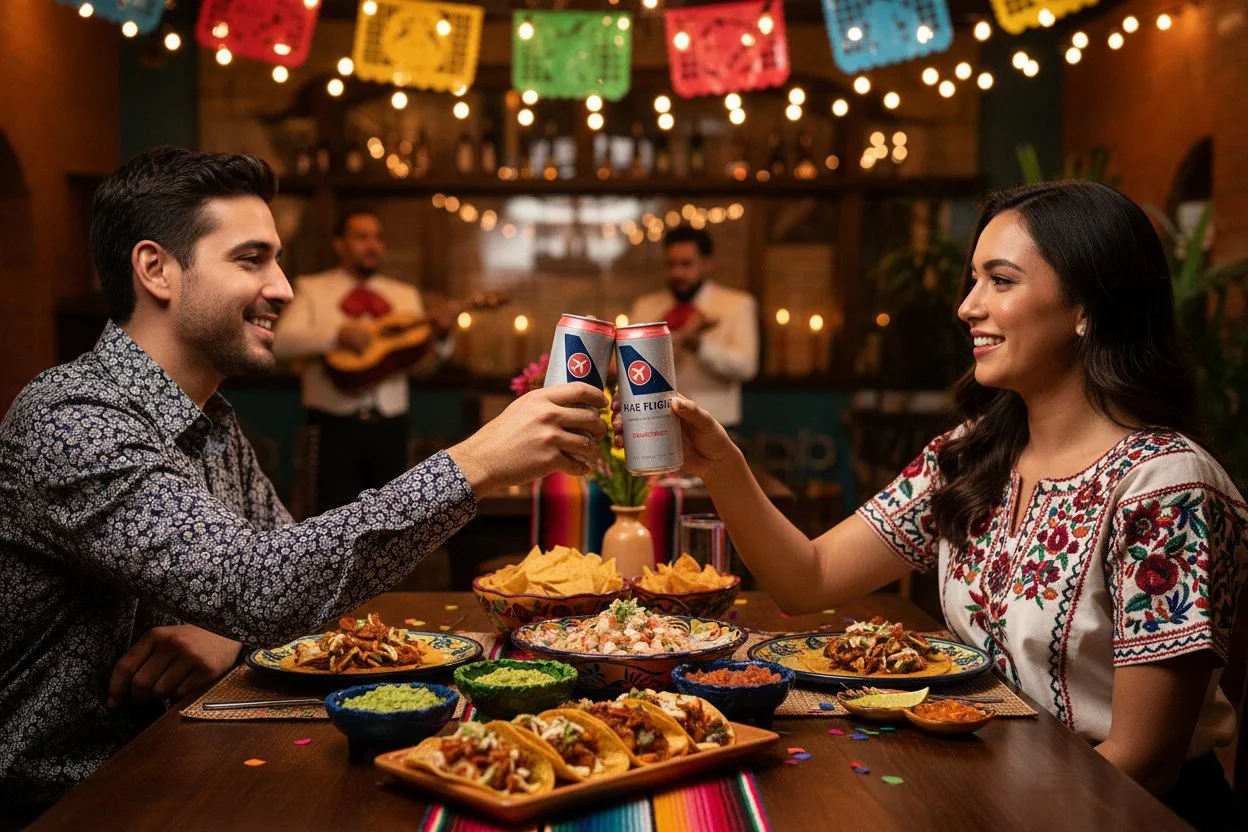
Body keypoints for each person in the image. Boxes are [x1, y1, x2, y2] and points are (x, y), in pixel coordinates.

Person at [0, 147, 604, 823]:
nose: (284, 287)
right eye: (251, 259)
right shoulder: (72, 418)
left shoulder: (213, 425)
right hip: (68, 803)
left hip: (184, 759)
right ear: (156, 270)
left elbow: (300, 591)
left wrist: (227, 632)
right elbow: (260, 586)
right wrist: (477, 463)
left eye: (277, 260)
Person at [617, 182, 1246, 829]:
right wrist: (722, 463)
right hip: (987, 783)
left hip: (1115, 813)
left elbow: (1144, 760)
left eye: (1000, 281)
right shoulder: (972, 453)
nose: (966, 306)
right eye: (972, 281)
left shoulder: (1166, 488)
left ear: (1086, 306)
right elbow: (808, 577)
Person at [272, 207, 454, 513]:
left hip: (390, 426)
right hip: (333, 426)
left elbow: (421, 365)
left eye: (377, 238)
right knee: (328, 516)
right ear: (339, 244)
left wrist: (442, 338)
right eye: (361, 237)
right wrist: (335, 336)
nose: (372, 245)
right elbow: (280, 344)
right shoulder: (312, 289)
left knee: (393, 518)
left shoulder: (404, 295)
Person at [629, 226, 758, 427]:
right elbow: (635, 367)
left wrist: (699, 346)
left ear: (707, 264)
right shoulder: (645, 307)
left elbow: (746, 367)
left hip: (717, 423)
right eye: (671, 264)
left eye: (686, 264)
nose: (677, 272)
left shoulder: (737, 304)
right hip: (658, 422)